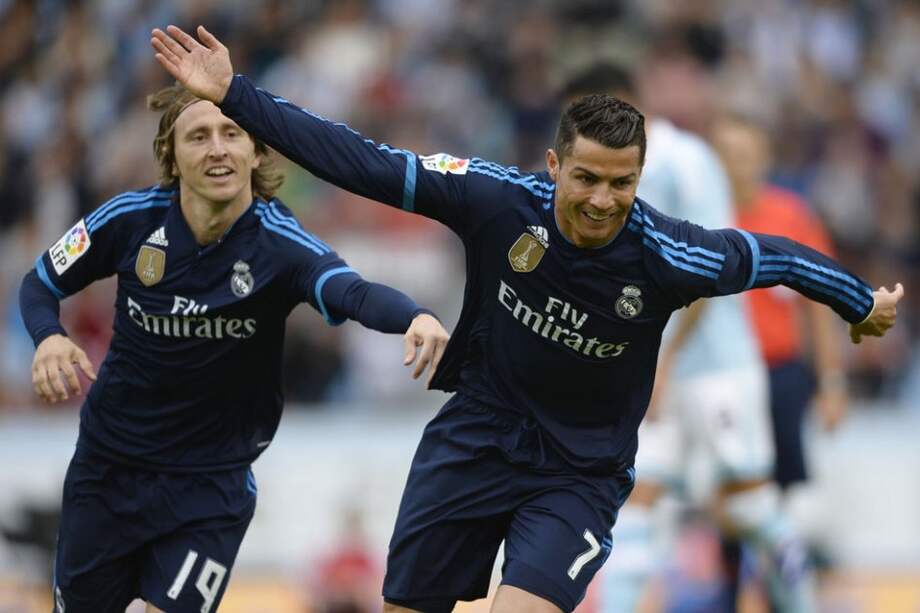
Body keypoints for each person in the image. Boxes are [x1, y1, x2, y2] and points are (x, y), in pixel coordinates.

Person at [150, 25, 903, 613]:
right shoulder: (495, 198)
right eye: (586, 179)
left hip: (579, 472)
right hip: (475, 435)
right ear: (553, 165)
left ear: (639, 178)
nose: (603, 200)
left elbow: (777, 255)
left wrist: (860, 303)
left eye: (621, 184)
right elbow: (363, 162)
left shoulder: (670, 253)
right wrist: (238, 98)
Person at [19, 82, 449, 613]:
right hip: (106, 475)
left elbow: (350, 290)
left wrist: (415, 315)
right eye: (198, 136)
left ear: (256, 151)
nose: (218, 148)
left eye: (233, 133)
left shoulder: (280, 243)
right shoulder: (130, 220)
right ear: (171, 156)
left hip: (209, 490)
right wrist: (49, 337)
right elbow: (40, 283)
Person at [562, 63, 814, 612]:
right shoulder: (605, 175)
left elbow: (709, 269)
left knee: (750, 508)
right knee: (637, 503)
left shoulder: (685, 160)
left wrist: (663, 362)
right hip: (653, 371)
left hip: (716, 365)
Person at [711, 112, 852, 601]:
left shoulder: (790, 215)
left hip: (779, 376)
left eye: (745, 154)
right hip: (722, 378)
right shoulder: (704, 219)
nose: (736, 165)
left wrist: (831, 381)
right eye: (727, 155)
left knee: (779, 499)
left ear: (763, 159)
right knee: (728, 496)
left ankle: (778, 598)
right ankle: (729, 592)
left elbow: (821, 304)